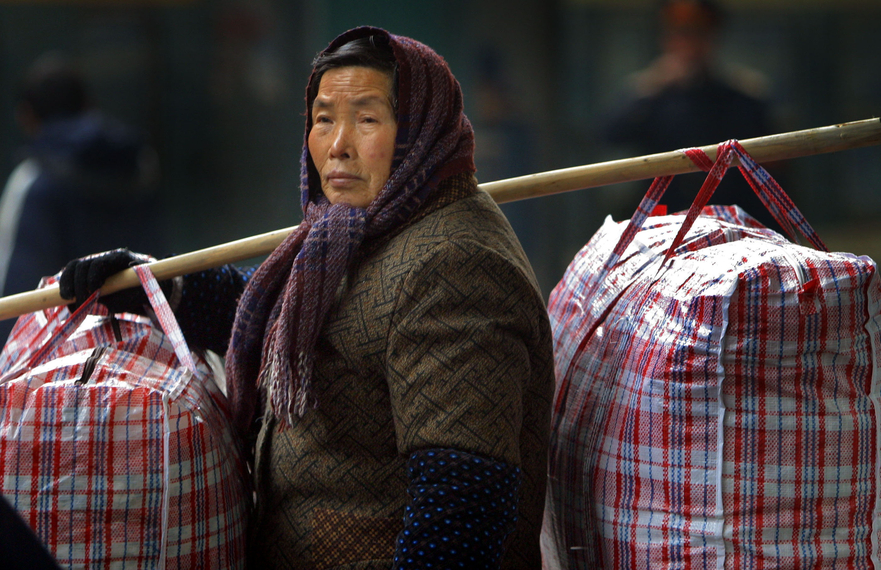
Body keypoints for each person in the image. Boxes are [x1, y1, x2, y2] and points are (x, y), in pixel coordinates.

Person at [59, 27, 555, 569]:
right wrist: (158, 289)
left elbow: (462, 504)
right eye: (323, 119)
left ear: (421, 132)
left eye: (366, 119)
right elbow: (285, 319)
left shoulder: (454, 266)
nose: (337, 144)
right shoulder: (362, 229)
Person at [0, 53, 164, 343]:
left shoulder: (33, 181)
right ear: (88, 104)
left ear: (26, 116)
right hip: (147, 347)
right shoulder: (141, 165)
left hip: (61, 364)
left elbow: (17, 297)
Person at [602, 0, 780, 228]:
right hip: (663, 223)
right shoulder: (650, 93)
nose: (686, 41)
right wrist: (649, 86)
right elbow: (609, 134)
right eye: (677, 30)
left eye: (696, 31)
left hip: (729, 223)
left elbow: (769, 173)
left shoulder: (743, 96)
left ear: (712, 34)